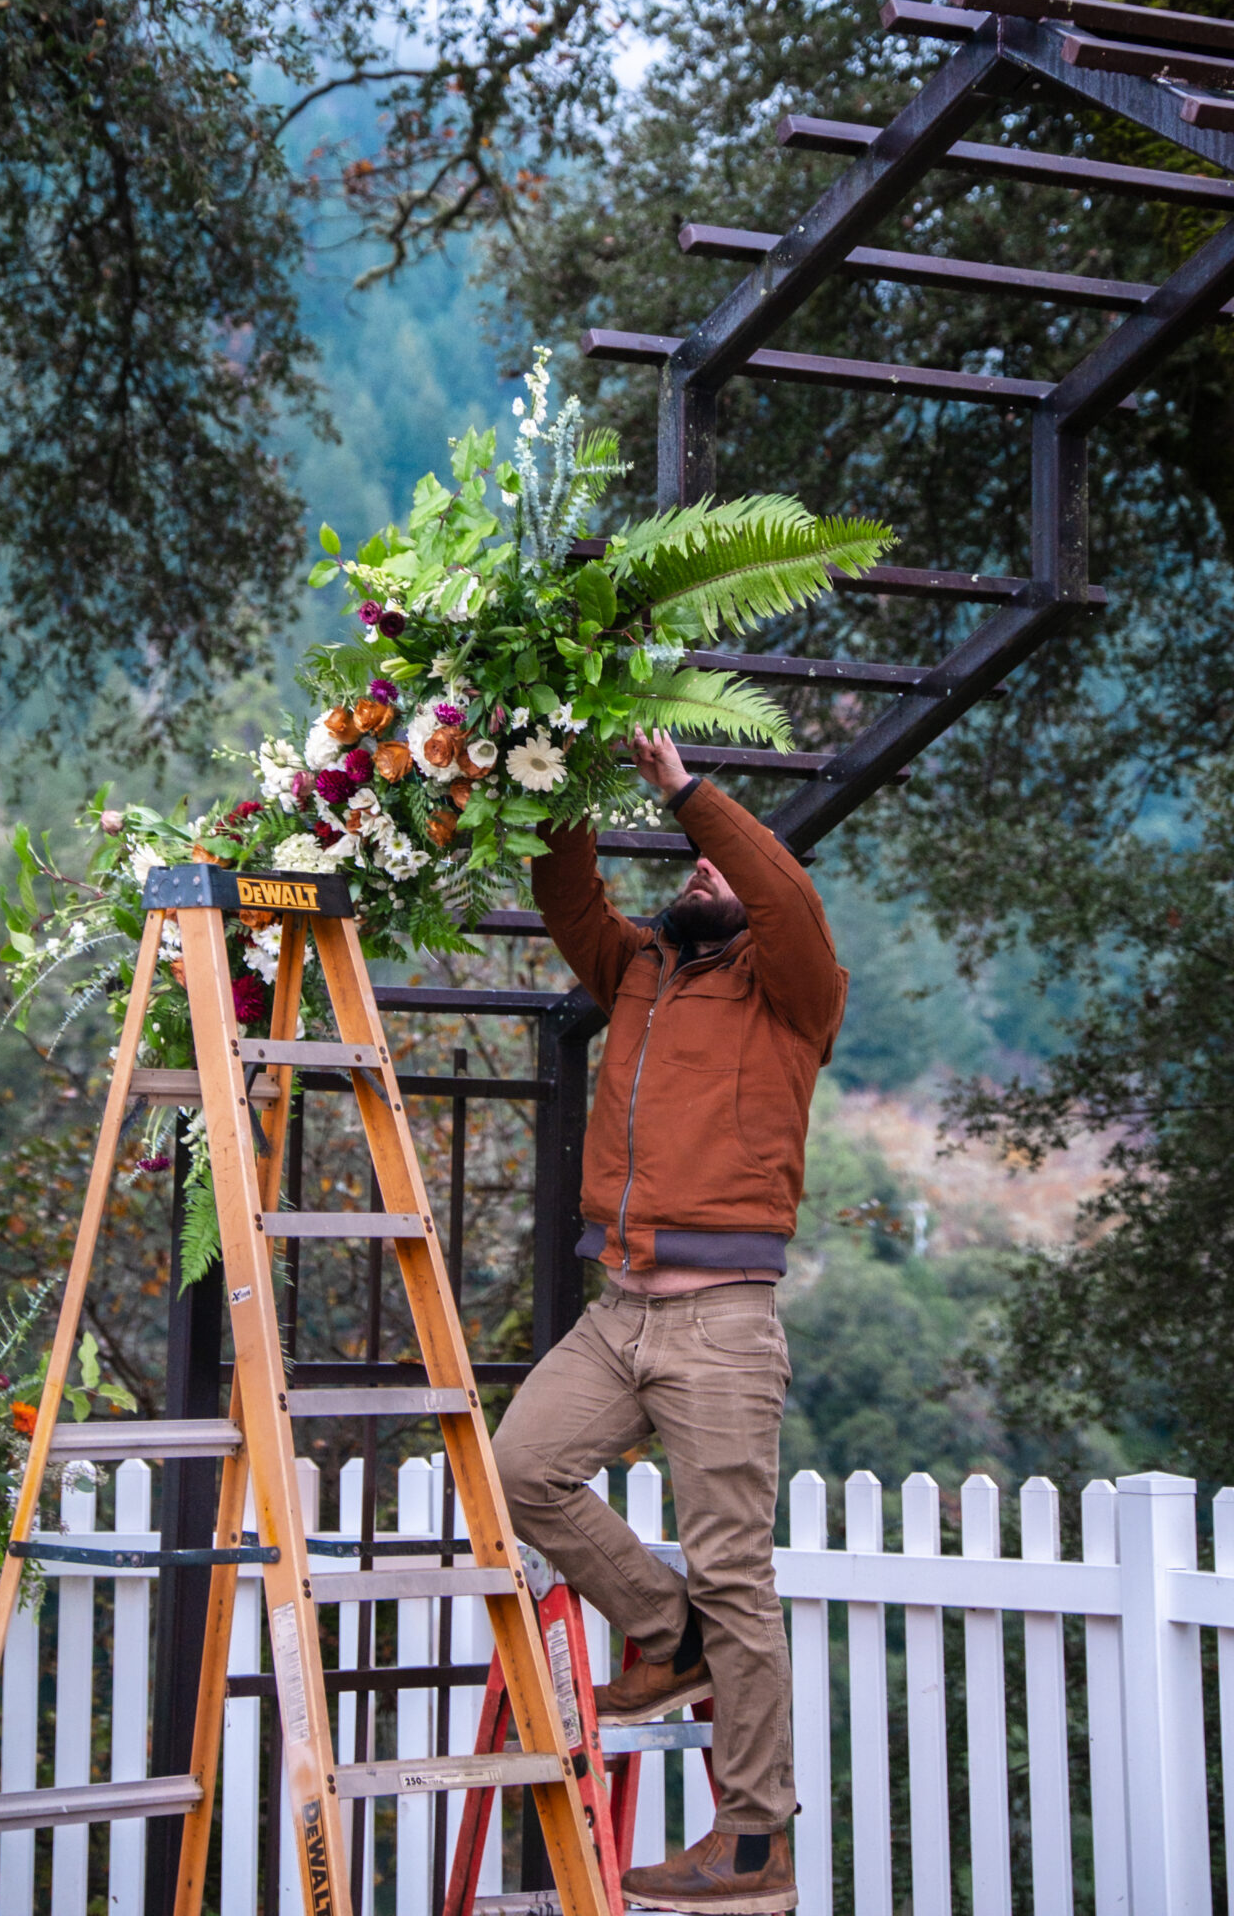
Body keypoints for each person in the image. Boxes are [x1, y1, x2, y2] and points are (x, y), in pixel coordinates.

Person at [492, 727, 847, 1915]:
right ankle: (662, 1628)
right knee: (517, 1467)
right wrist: (557, 762)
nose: (696, 878)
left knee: (738, 1576)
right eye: (692, 868)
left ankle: (752, 1848)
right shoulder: (640, 968)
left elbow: (784, 891)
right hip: (621, 1312)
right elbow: (566, 889)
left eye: (715, 874)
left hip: (723, 1327)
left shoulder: (796, 993)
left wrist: (688, 794)